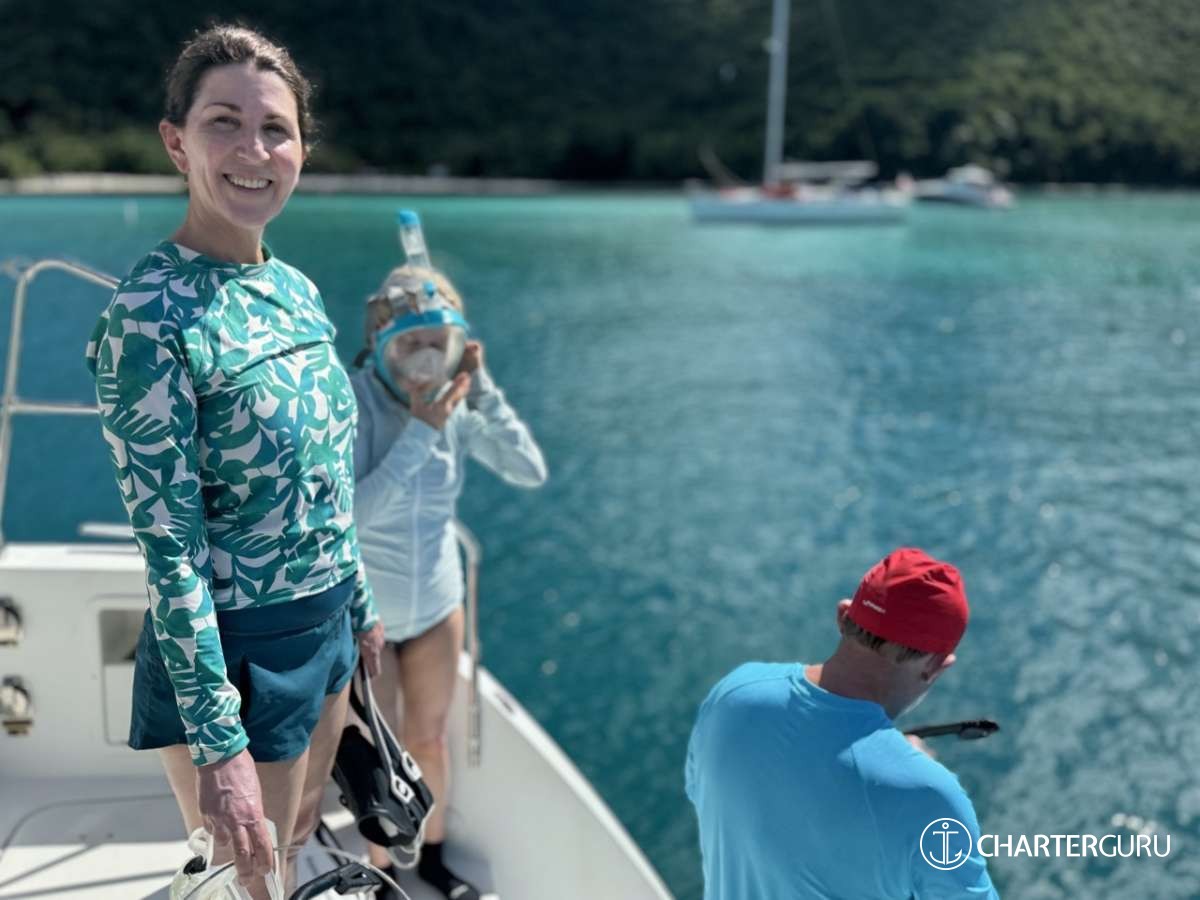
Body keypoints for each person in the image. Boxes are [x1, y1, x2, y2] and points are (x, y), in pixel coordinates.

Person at [84, 24, 385, 899]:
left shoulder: (294, 290)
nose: (254, 151)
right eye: (224, 123)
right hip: (238, 650)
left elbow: (326, 477)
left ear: (302, 151)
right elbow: (169, 551)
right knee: (253, 880)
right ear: (176, 142)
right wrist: (219, 745)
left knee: (298, 834)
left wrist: (360, 608)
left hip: (325, 630)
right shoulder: (148, 317)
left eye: (275, 129)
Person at [352, 264, 547, 899]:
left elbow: (528, 470)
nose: (426, 360)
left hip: (437, 604)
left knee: (429, 740)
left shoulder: (455, 406)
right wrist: (420, 433)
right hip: (367, 611)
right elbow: (350, 516)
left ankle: (431, 858)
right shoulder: (354, 403)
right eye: (410, 343)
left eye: (440, 344)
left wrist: (483, 391)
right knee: (377, 753)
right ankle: (381, 869)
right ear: (380, 342)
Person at [686, 547, 1000, 899]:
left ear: (843, 616)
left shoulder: (734, 693)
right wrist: (910, 771)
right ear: (936, 666)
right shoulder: (930, 796)